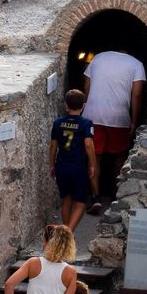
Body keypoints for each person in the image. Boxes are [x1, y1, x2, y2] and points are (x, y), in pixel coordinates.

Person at [82, 49, 147, 211]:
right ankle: (116, 194)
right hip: (119, 117)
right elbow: (137, 95)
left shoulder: (97, 58)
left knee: (94, 156)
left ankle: (95, 197)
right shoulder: (136, 64)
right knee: (120, 154)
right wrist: (134, 120)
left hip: (93, 115)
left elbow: (86, 87)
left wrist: (85, 109)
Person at [48, 89, 98, 231]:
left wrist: (52, 165)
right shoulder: (86, 123)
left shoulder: (58, 123)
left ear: (66, 105)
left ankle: (66, 232)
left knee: (66, 200)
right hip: (78, 167)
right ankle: (67, 234)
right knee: (81, 203)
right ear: (84, 105)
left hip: (62, 165)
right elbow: (88, 145)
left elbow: (53, 146)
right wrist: (93, 164)